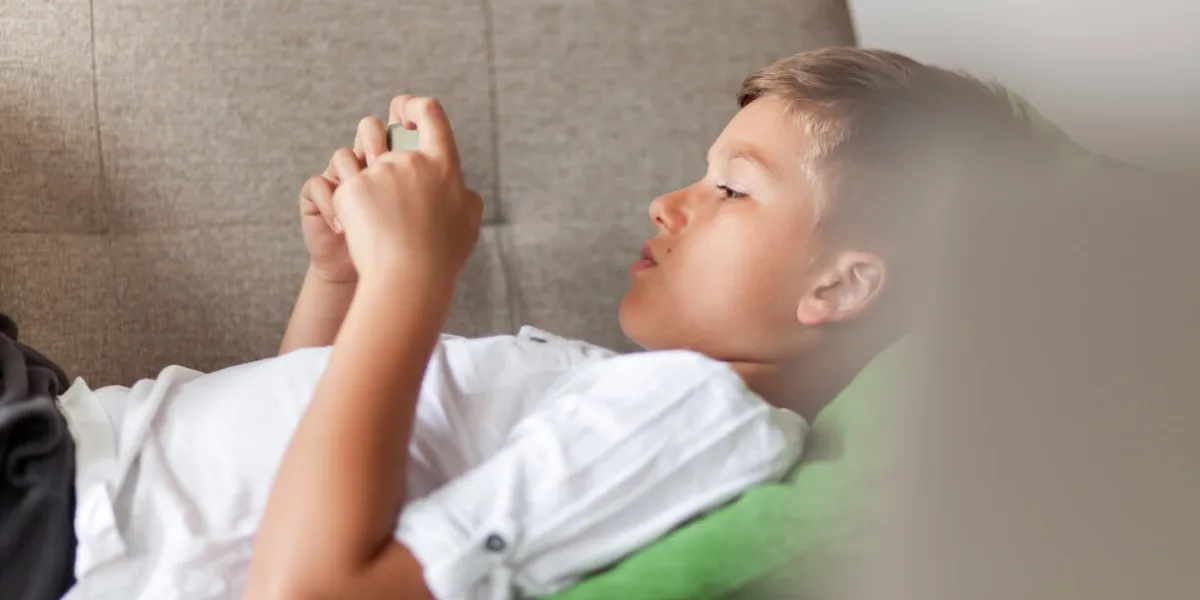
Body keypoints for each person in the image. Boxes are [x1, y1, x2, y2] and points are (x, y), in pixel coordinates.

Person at [57, 47, 1031, 600]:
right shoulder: (615, 388)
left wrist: (411, 279)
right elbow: (297, 455)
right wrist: (341, 281)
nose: (667, 203)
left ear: (841, 286)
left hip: (61, 509)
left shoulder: (701, 414)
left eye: (731, 189)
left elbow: (309, 588)